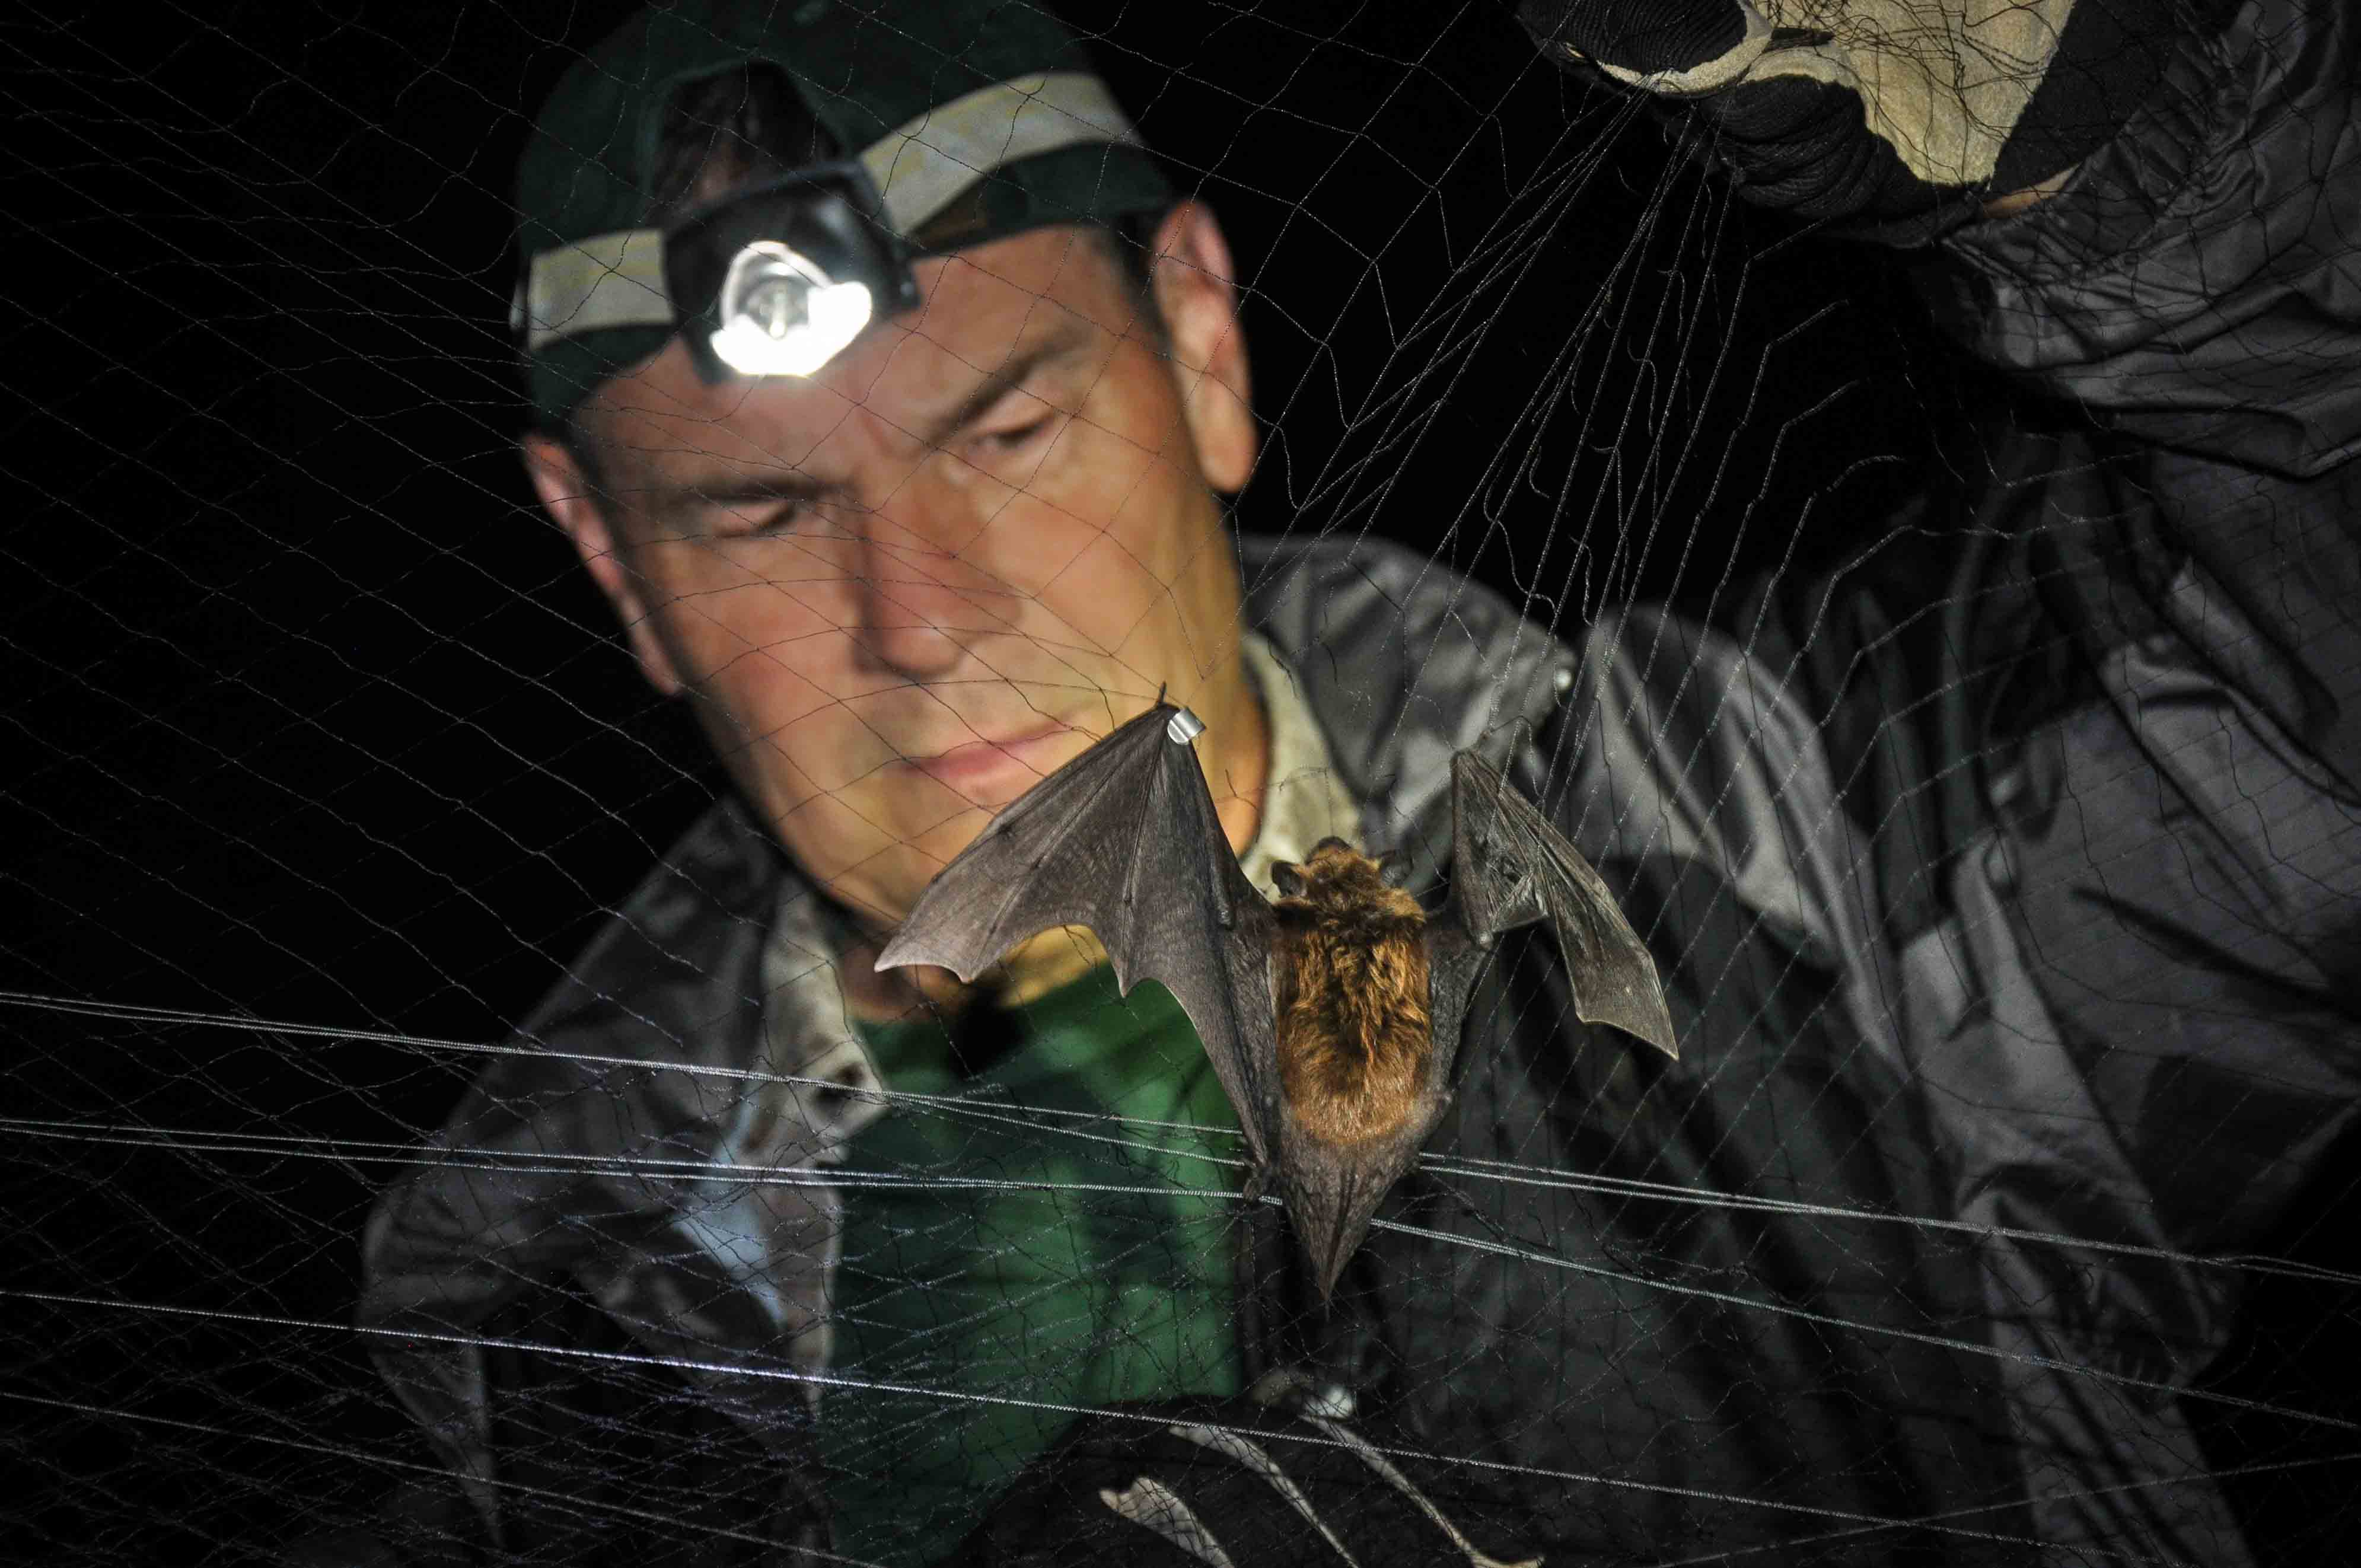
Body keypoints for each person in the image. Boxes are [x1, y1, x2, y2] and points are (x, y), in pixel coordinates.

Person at [346, 0, 2360, 1564]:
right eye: (764, 515)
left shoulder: (1774, 845)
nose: (923, 615)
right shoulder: (572, 1341)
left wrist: (2150, 169)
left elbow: (2300, 697)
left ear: (1205, 345)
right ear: (609, 557)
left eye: (1012, 429)